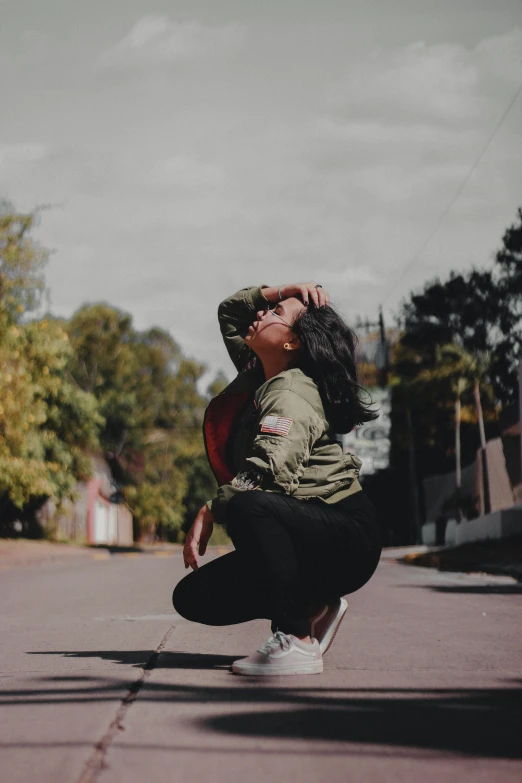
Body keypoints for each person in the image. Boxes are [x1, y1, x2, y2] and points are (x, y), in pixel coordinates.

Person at [172, 282, 382, 676]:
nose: (261, 315)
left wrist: (210, 509)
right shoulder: (260, 372)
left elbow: (269, 472)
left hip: (347, 535)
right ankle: (315, 601)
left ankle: (297, 638)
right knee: (195, 596)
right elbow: (230, 312)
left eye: (276, 315)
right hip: (313, 531)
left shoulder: (290, 392)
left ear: (291, 344)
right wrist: (287, 290)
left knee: (249, 504)